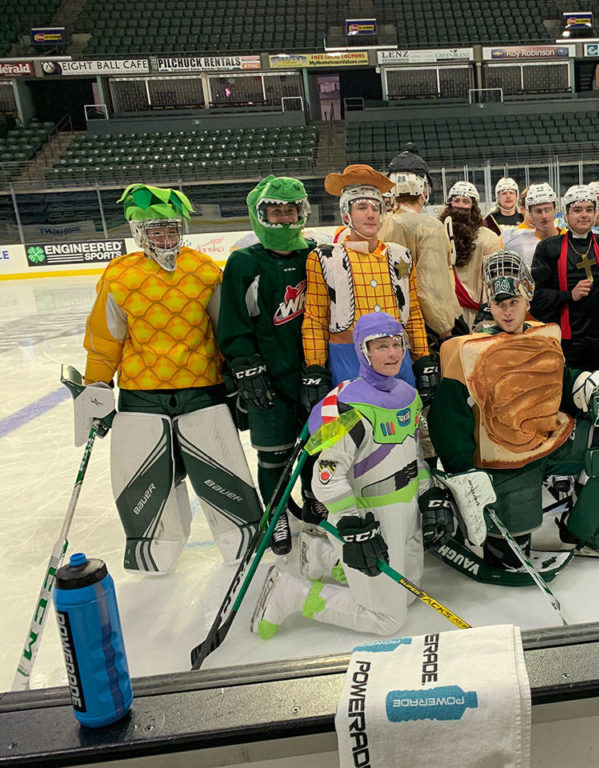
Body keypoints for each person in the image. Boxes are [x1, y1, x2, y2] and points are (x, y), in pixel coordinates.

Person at [77, 184, 262, 574]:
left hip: (203, 391)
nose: (165, 239)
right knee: (145, 476)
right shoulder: (120, 276)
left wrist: (238, 371)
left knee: (221, 467)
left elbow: (224, 327)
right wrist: (96, 385)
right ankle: (153, 549)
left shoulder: (203, 270)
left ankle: (241, 539)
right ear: (139, 234)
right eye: (156, 232)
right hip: (141, 397)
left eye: (171, 230)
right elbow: (105, 337)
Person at [427, 251, 599, 584]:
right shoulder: (465, 350)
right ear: (490, 304)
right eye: (499, 304)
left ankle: (586, 528)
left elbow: (553, 375)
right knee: (511, 556)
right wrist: (461, 470)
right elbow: (447, 415)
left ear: (526, 296)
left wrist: (585, 384)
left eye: (513, 301)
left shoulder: (543, 334)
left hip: (548, 434)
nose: (507, 310)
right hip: (501, 457)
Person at [250, 312, 431, 637]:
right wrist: (351, 525)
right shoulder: (350, 408)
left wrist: (429, 492)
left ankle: (323, 553)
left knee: (409, 594)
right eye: (380, 347)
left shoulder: (409, 395)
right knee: (388, 619)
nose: (392, 354)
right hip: (372, 514)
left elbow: (416, 451)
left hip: (407, 507)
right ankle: (290, 593)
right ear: (363, 352)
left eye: (396, 344)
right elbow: (326, 478)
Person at [218, 176, 316, 543]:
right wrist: (244, 363)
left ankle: (312, 500)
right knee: (274, 456)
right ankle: (276, 516)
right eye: (275, 212)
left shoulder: (314, 255)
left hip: (312, 374)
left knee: (315, 450)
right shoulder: (244, 262)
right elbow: (232, 320)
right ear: (261, 215)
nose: (284, 219)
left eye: (290, 211)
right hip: (268, 377)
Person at [301, 164, 430, 408]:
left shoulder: (400, 255)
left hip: (397, 357)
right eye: (361, 207)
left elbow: (412, 311)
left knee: (403, 428)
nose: (370, 214)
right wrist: (315, 367)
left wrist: (422, 357)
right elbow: (315, 318)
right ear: (346, 215)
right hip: (347, 358)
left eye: (375, 207)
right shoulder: (325, 258)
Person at [531, 184, 599, 370]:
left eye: (589, 209)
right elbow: (536, 298)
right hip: (567, 341)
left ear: (596, 214)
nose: (584, 215)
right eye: (577, 210)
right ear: (566, 215)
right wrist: (569, 295)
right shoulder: (548, 248)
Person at [377, 143, 460, 344]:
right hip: (423, 326)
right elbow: (431, 283)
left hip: (385, 322)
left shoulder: (378, 224)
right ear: (423, 187)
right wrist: (445, 327)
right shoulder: (430, 226)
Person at [438, 180, 501, 329]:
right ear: (449, 204)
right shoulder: (436, 233)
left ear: (473, 206)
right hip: (443, 311)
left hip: (475, 311)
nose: (460, 205)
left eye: (465, 201)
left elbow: (491, 278)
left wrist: (487, 311)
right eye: (456, 200)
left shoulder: (488, 237)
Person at [500, 182, 564, 267]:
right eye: (538, 211)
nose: (544, 216)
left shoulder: (569, 238)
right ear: (529, 213)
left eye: (547, 210)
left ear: (555, 209)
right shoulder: (511, 239)